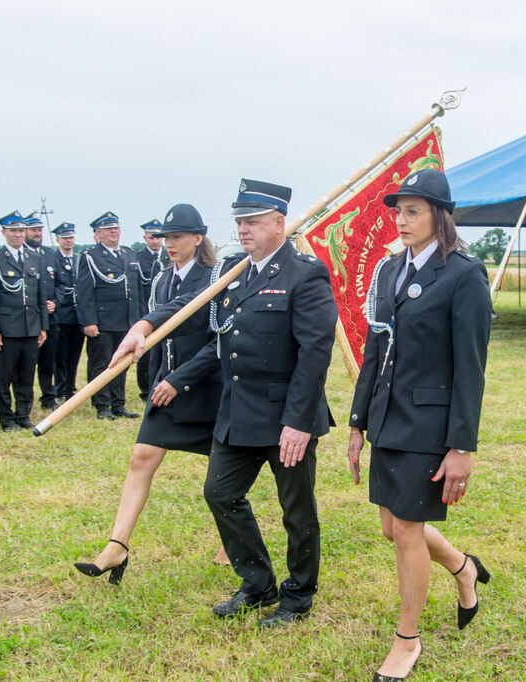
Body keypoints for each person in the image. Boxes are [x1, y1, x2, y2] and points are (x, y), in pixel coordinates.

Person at [112, 178, 337, 628]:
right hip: (238, 412)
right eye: (239, 222)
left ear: (279, 223)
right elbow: (186, 301)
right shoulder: (233, 270)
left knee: (296, 509)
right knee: (220, 493)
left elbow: (315, 352)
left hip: (285, 417)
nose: (244, 229)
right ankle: (257, 583)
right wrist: (143, 324)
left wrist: (297, 422)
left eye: (253, 221)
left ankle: (298, 595)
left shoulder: (305, 273)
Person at [347, 168, 492, 681]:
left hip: (430, 424)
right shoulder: (388, 270)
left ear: (439, 214)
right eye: (399, 210)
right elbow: (375, 348)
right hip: (388, 417)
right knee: (391, 526)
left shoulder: (463, 274)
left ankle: (407, 641)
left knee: (406, 528)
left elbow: (470, 367)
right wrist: (358, 422)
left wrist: (462, 447)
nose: (402, 220)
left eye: (414, 210)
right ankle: (463, 567)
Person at [74, 203, 228, 584]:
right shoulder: (161, 279)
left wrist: (180, 380)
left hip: (206, 387)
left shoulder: (217, 276)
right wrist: (157, 376)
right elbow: (159, 338)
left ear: (198, 238)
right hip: (165, 386)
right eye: (165, 236)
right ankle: (117, 545)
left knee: (224, 474)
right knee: (141, 457)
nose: (169, 243)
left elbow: (218, 343)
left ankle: (232, 541)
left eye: (177, 236)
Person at [0, 211, 48, 431]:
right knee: (4, 377)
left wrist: (43, 326)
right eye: (13, 231)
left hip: (30, 327)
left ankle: (23, 415)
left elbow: (40, 295)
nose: (18, 235)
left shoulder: (33, 258)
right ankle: (6, 418)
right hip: (7, 329)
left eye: (21, 230)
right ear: (4, 233)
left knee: (27, 376)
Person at [76, 212, 143, 420]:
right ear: (98, 233)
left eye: (116, 228)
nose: (114, 232)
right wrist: (89, 321)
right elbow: (84, 292)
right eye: (108, 229)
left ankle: (118, 404)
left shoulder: (129, 254)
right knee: (103, 363)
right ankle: (102, 405)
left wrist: (140, 320)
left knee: (121, 364)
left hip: (126, 319)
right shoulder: (91, 257)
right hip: (103, 321)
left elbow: (137, 291)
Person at [24, 211, 60, 410]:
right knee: (25, 363)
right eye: (33, 230)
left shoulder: (49, 254)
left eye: (39, 230)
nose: (37, 233)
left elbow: (62, 284)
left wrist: (56, 302)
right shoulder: (21, 254)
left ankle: (48, 396)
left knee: (48, 362)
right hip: (28, 318)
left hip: (50, 318)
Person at [50, 222, 84, 403]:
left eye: (71, 237)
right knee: (60, 356)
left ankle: (70, 387)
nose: (68, 241)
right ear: (58, 240)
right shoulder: (53, 260)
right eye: (64, 238)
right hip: (61, 315)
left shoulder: (79, 259)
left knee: (74, 354)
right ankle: (61, 388)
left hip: (77, 316)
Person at [134, 219, 165, 400]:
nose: (155, 241)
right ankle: (145, 388)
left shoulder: (167, 257)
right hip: (145, 311)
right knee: (145, 355)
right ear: (145, 238)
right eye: (151, 237)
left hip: (162, 311)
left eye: (158, 237)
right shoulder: (138, 259)